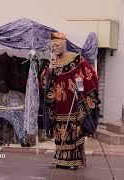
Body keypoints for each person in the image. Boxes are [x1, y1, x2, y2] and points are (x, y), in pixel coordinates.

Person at [42, 32, 100, 169]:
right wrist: (49, 70)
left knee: (74, 132)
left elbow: (90, 75)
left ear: (64, 45)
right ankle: (59, 159)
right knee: (59, 133)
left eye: (56, 46)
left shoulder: (76, 59)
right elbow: (44, 83)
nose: (54, 49)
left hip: (73, 103)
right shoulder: (52, 62)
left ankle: (74, 161)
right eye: (52, 46)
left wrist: (81, 88)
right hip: (58, 104)